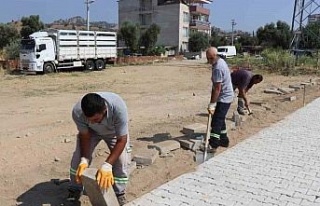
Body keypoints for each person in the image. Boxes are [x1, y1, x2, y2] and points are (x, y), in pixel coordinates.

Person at [68, 92, 131, 206]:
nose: (92, 122)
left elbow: (122, 140)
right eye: (89, 119)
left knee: (121, 160)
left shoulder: (118, 108)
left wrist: (107, 165)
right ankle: (75, 189)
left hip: (113, 133)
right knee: (77, 159)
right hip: (91, 133)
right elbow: (85, 136)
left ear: (104, 110)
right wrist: (84, 160)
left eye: (96, 119)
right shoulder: (78, 111)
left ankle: (119, 193)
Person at [206, 47, 234, 150]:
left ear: (213, 57)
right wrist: (212, 102)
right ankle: (224, 141)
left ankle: (213, 144)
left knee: (216, 121)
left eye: (209, 58)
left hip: (224, 97)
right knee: (221, 119)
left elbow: (217, 88)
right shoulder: (220, 61)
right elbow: (214, 87)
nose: (207, 61)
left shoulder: (218, 67)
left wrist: (213, 104)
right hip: (224, 96)